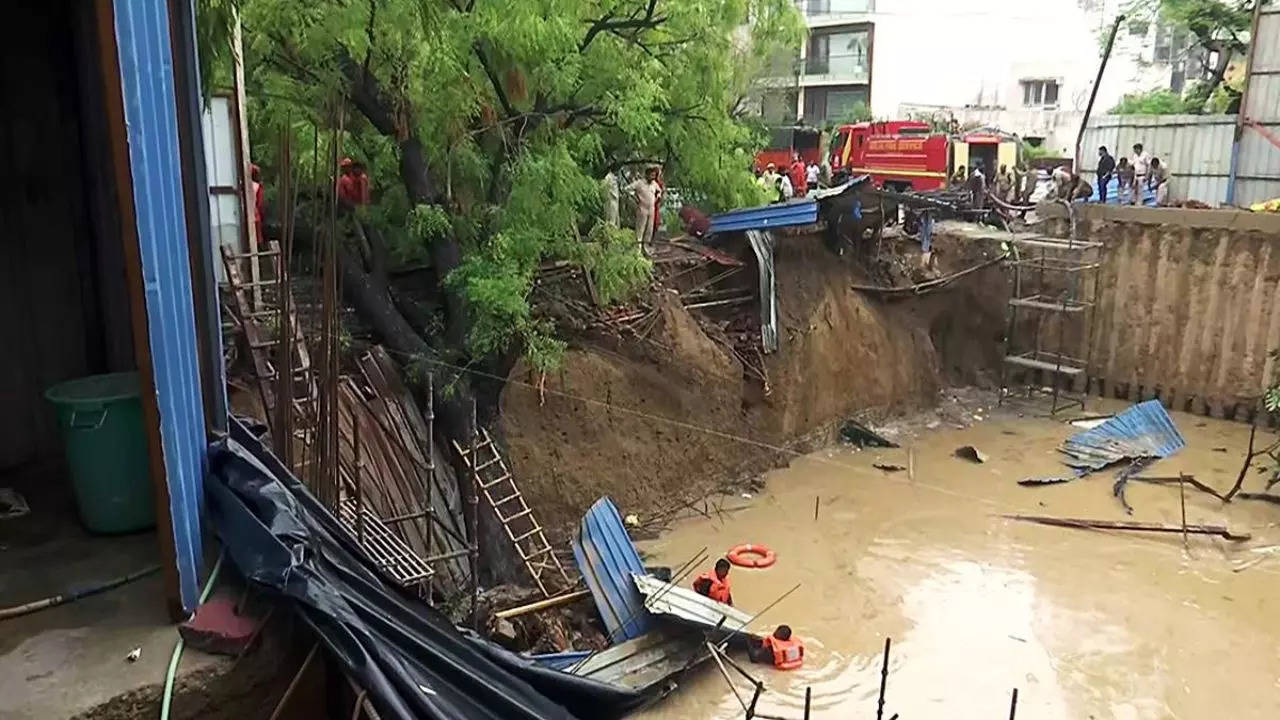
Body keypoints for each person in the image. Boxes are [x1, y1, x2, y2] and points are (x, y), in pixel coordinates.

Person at [626, 166, 661, 249]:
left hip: (651, 209)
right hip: (642, 208)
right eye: (651, 175)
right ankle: (637, 250)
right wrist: (634, 198)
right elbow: (627, 189)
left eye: (654, 176)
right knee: (640, 230)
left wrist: (658, 196)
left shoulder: (654, 184)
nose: (652, 177)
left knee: (649, 230)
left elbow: (659, 190)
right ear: (647, 174)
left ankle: (646, 249)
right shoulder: (639, 183)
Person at [249, 163, 265, 247]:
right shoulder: (258, 187)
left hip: (248, 214)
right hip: (255, 215)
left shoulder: (245, 185)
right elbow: (260, 203)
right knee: (257, 238)